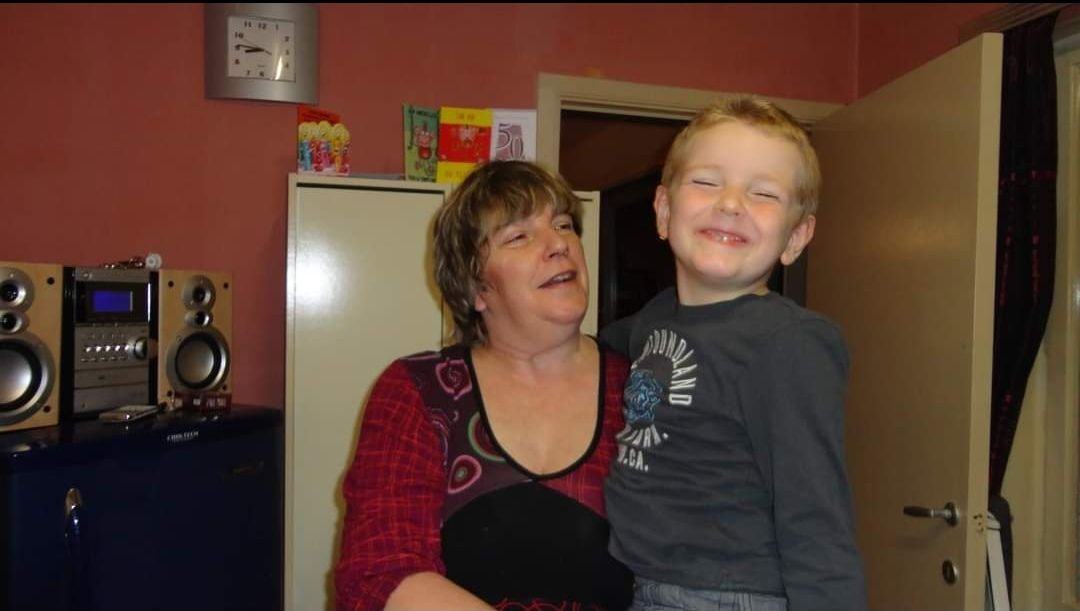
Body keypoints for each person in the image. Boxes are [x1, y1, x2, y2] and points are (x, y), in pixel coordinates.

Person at [599, 97, 867, 611]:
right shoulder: (654, 319)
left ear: (796, 237)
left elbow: (816, 515)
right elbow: (598, 348)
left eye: (763, 193)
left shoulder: (790, 342)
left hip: (727, 597)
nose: (730, 203)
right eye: (706, 181)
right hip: (645, 585)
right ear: (664, 211)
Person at [334, 160, 634, 610]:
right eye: (519, 236)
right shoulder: (420, 392)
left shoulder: (638, 386)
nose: (559, 244)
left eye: (564, 225)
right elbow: (379, 575)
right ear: (477, 288)